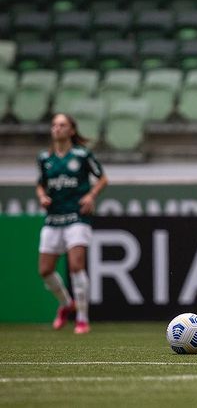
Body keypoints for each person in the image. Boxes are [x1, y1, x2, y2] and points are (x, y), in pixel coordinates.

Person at [36, 113, 108, 334]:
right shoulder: (45, 158)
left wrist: (91, 195)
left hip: (77, 217)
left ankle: (82, 318)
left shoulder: (82, 155)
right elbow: (40, 184)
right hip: (54, 218)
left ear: (72, 130)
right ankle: (67, 304)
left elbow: (103, 178)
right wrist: (42, 197)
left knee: (76, 265)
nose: (57, 128)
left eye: (62, 125)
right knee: (45, 270)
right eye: (54, 125)